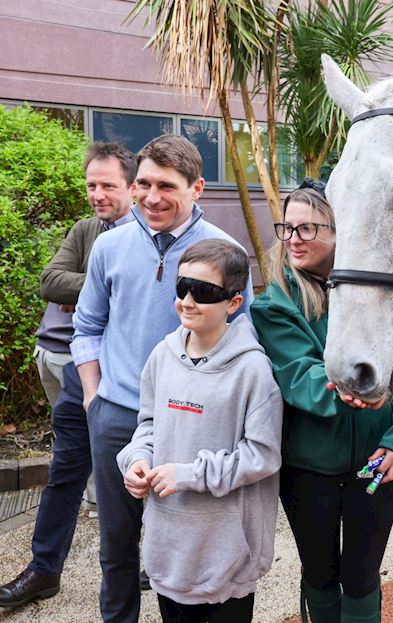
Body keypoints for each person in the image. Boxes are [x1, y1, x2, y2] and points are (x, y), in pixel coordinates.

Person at [71, 135, 254, 623]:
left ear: (197, 188)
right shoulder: (109, 246)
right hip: (115, 414)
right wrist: (93, 396)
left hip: (187, 418)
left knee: (186, 540)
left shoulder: (225, 251)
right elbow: (86, 327)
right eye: (144, 184)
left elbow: (242, 338)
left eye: (166, 186)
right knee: (116, 546)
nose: (151, 196)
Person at [250, 180, 393, 623]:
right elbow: (303, 380)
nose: (292, 239)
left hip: (373, 466)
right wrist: (367, 387)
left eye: (307, 228)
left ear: (340, 230)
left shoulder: (381, 295)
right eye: (287, 228)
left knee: (363, 575)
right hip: (310, 472)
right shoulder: (276, 304)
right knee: (321, 574)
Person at [117, 239, 282, 623]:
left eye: (204, 292)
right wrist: (136, 460)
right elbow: (148, 425)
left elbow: (263, 454)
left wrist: (188, 475)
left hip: (226, 554)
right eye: (182, 288)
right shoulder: (162, 355)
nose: (188, 301)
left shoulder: (252, 370)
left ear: (234, 302)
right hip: (169, 549)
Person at [0, 142, 136, 609]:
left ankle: (137, 566)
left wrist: (88, 289)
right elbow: (49, 282)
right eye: (91, 185)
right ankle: (44, 570)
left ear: (133, 187)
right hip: (82, 367)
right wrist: (101, 287)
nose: (97, 194)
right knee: (65, 472)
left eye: (108, 186)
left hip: (131, 374)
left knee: (132, 475)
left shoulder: (150, 231)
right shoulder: (86, 230)